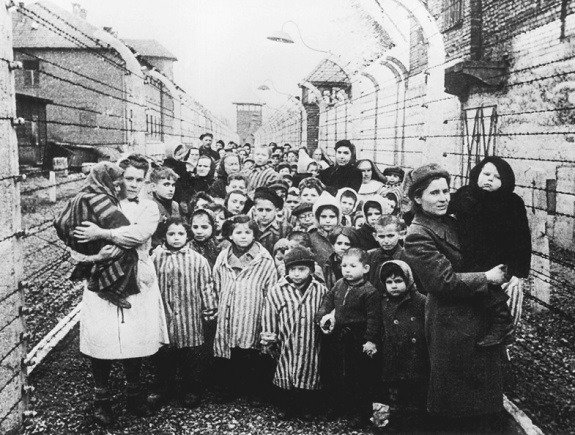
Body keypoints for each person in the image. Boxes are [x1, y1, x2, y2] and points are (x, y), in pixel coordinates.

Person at [403, 163, 511, 432]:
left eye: (446, 191)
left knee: (481, 395)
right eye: (434, 193)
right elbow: (442, 281)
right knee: (458, 400)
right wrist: (487, 278)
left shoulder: (449, 221)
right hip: (452, 324)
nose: (443, 198)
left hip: (476, 314)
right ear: (417, 198)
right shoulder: (418, 235)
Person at [71, 154, 168, 425]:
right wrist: (93, 255)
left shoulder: (148, 208)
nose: (134, 184)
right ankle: (102, 401)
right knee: (103, 338)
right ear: (118, 179)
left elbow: (139, 234)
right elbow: (78, 237)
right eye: (129, 179)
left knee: (134, 337)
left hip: (137, 279)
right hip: (100, 278)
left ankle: (134, 396)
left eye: (140, 179)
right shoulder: (100, 204)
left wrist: (103, 234)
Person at [448, 156, 531, 347]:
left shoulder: (512, 202)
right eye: (486, 174)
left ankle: (502, 322)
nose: (489, 179)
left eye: (497, 177)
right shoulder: (466, 194)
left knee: (490, 283)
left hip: (498, 257)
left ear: (506, 182)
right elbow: (446, 208)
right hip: (468, 253)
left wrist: (519, 270)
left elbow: (522, 237)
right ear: (477, 174)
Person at [149, 217, 217, 409]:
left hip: (190, 318)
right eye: (171, 234)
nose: (176, 238)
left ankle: (191, 389)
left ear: (187, 236)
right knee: (164, 357)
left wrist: (209, 311)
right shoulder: (156, 257)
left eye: (181, 234)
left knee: (190, 358)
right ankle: (165, 388)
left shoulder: (198, 260)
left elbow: (206, 286)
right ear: (165, 236)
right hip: (166, 317)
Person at [54, 161, 138, 310]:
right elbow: (119, 223)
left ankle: (92, 275)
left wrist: (70, 237)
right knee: (129, 253)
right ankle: (110, 288)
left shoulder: (78, 196)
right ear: (104, 181)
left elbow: (59, 221)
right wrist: (128, 230)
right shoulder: (99, 199)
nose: (117, 189)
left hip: (78, 241)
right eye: (115, 185)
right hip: (93, 241)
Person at [213, 215, 279, 401]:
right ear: (230, 235)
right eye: (238, 232)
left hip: (252, 312)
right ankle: (228, 388)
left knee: (251, 352)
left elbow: (270, 290)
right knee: (228, 351)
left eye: (248, 232)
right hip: (228, 312)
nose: (243, 236)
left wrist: (267, 320)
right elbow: (216, 281)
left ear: (254, 235)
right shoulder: (223, 257)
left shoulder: (264, 260)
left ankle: (254, 391)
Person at [260, 247, 329, 419]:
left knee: (310, 373)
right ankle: (289, 406)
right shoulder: (277, 290)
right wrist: (269, 338)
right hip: (287, 340)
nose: (297, 274)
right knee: (286, 371)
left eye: (302, 269)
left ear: (311, 270)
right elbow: (269, 315)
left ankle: (307, 407)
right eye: (292, 269)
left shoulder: (320, 290)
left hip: (311, 341)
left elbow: (327, 312)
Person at [316, 248, 381, 428]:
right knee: (335, 371)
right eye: (344, 265)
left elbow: (374, 318)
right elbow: (327, 301)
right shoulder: (339, 284)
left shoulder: (369, 292)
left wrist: (370, 339)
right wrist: (322, 315)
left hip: (357, 338)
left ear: (366, 268)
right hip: (337, 336)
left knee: (358, 375)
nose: (347, 270)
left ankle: (359, 412)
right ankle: (337, 405)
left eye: (353, 266)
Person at [378, 260, 428, 431]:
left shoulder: (420, 301)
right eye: (389, 282)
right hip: (392, 356)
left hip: (415, 357)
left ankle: (415, 425)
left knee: (415, 394)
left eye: (398, 281)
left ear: (408, 280)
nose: (393, 286)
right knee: (395, 395)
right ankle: (396, 424)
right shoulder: (383, 303)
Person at [367, 215, 406, 294]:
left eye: (390, 236)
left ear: (400, 234)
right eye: (381, 236)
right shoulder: (369, 256)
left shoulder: (408, 256)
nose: (386, 241)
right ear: (375, 236)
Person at [253, 187, 292, 255]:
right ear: (254, 211)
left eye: (268, 210)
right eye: (260, 210)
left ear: (276, 211)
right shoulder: (250, 226)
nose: (264, 214)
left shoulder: (286, 228)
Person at [149, 167, 181, 250]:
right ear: (153, 187)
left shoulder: (175, 206)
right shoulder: (150, 206)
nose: (171, 189)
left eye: (173, 185)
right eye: (166, 184)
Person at [309, 192, 340, 268]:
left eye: (332, 217)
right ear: (317, 218)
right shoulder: (311, 236)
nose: (328, 220)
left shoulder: (343, 235)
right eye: (323, 216)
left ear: (338, 217)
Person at [323, 225, 359, 290]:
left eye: (347, 244)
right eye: (339, 243)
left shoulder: (358, 262)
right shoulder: (329, 263)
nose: (343, 247)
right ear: (333, 245)